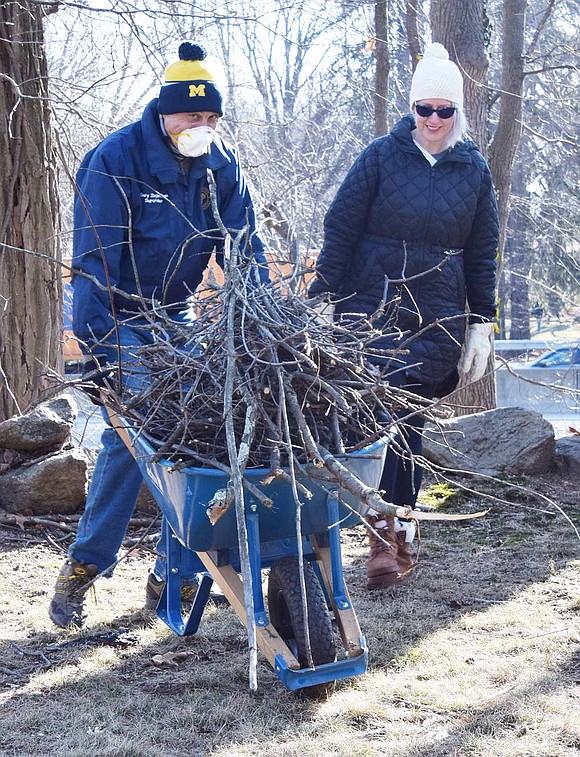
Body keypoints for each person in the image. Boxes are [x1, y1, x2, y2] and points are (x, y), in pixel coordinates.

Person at [49, 42, 269, 628]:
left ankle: (174, 573)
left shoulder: (220, 166)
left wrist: (263, 322)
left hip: (176, 315)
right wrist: (96, 349)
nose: (202, 127)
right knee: (145, 430)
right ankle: (87, 566)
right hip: (120, 315)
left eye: (211, 118)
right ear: (166, 112)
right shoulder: (115, 160)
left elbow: (245, 248)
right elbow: (93, 261)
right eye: (192, 116)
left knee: (194, 432)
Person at [308, 42, 499, 589]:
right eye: (424, 110)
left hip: (437, 311)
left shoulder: (474, 170)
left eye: (444, 110)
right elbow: (341, 226)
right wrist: (324, 292)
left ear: (457, 112)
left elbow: (483, 250)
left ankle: (398, 530)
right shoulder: (380, 157)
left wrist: (482, 321)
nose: (433, 121)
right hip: (371, 304)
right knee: (378, 412)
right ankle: (381, 534)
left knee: (408, 421)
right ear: (411, 109)